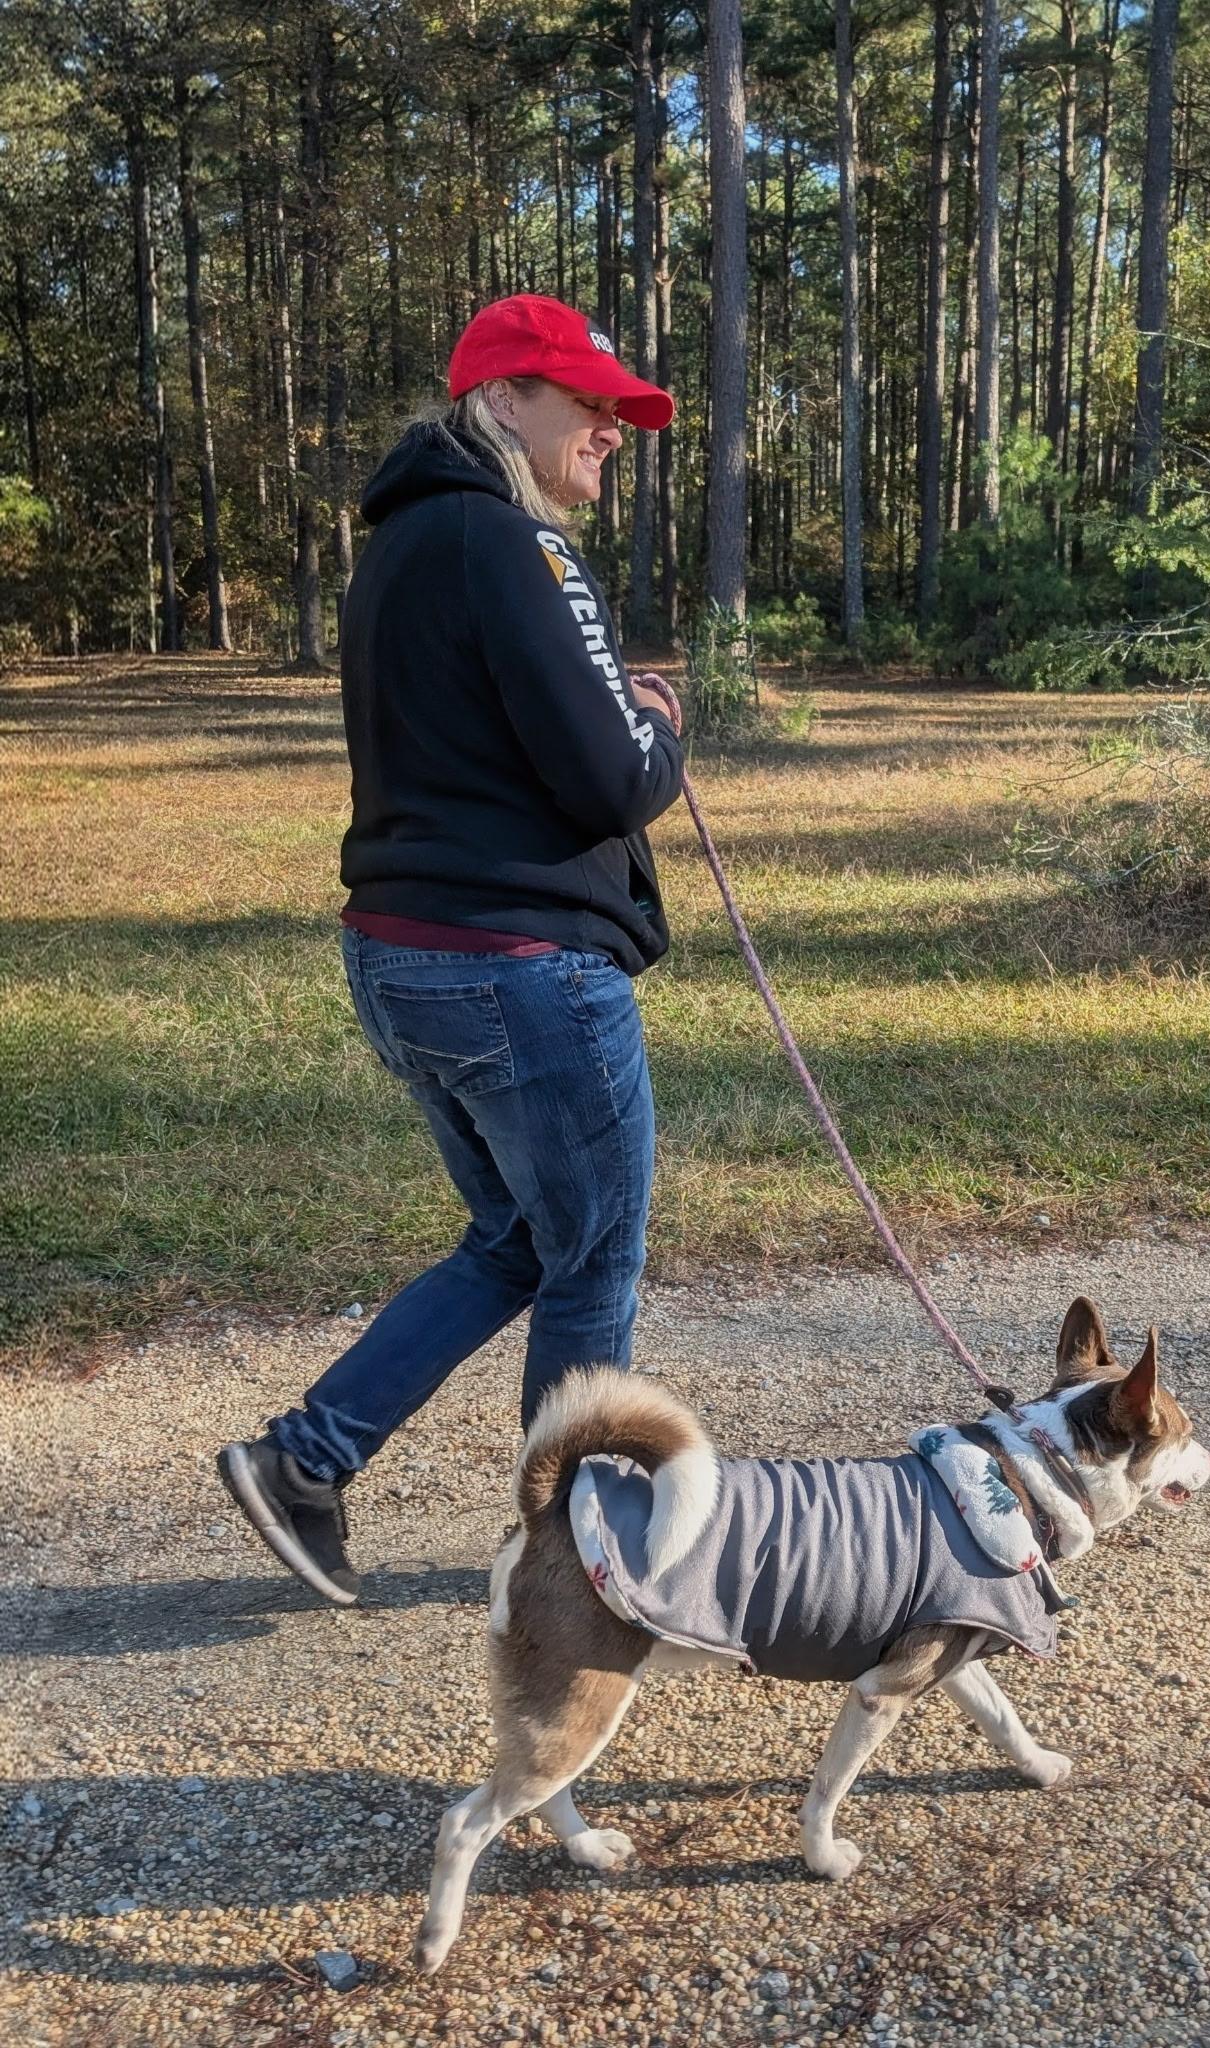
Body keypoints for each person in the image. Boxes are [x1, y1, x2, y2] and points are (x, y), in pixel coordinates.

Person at [217, 295, 684, 1607]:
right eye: (588, 401)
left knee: (519, 1240)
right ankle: (575, 1555)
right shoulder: (519, 546)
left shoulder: (405, 544)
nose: (611, 427)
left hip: (403, 956)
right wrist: (660, 725)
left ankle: (305, 1462)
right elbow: (613, 777)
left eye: (619, 410)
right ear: (505, 401)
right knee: (590, 1256)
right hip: (520, 968)